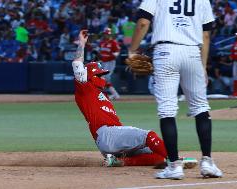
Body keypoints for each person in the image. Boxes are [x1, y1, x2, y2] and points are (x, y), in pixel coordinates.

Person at [71, 30, 197, 168]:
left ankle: (118, 161)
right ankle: (175, 159)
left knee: (158, 155)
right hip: (107, 134)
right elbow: (77, 63)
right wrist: (82, 43)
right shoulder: (85, 88)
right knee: (149, 136)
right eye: (100, 75)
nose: (103, 78)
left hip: (113, 137)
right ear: (90, 77)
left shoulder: (101, 94)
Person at [128, 0, 223, 179]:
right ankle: (208, 163)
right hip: (192, 52)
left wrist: (132, 50)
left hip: (166, 51)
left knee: (167, 110)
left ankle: (174, 166)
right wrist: (203, 66)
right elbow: (206, 36)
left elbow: (143, 22)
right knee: (201, 107)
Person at [98, 27, 121, 100]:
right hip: (103, 62)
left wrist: (114, 55)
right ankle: (115, 95)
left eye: (107, 34)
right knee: (103, 78)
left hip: (110, 62)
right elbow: (101, 53)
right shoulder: (102, 43)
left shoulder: (113, 42)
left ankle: (114, 94)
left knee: (106, 78)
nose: (106, 35)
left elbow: (117, 52)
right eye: (105, 34)